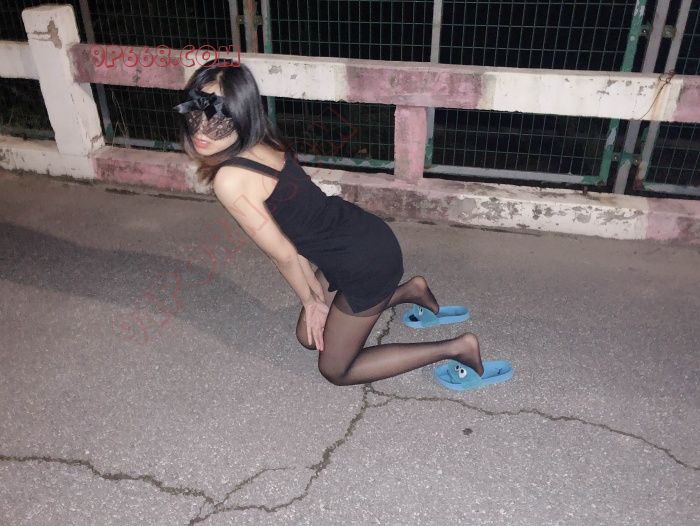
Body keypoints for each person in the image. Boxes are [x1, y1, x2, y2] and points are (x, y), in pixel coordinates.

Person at [173, 60, 483, 386]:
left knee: (335, 369)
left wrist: (311, 300)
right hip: (357, 237)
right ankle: (410, 290)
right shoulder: (262, 142)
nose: (201, 131)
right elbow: (292, 240)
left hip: (366, 263)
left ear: (242, 115)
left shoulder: (230, 180)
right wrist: (313, 295)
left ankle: (456, 347)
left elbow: (284, 254)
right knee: (308, 337)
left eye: (218, 120)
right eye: (195, 115)